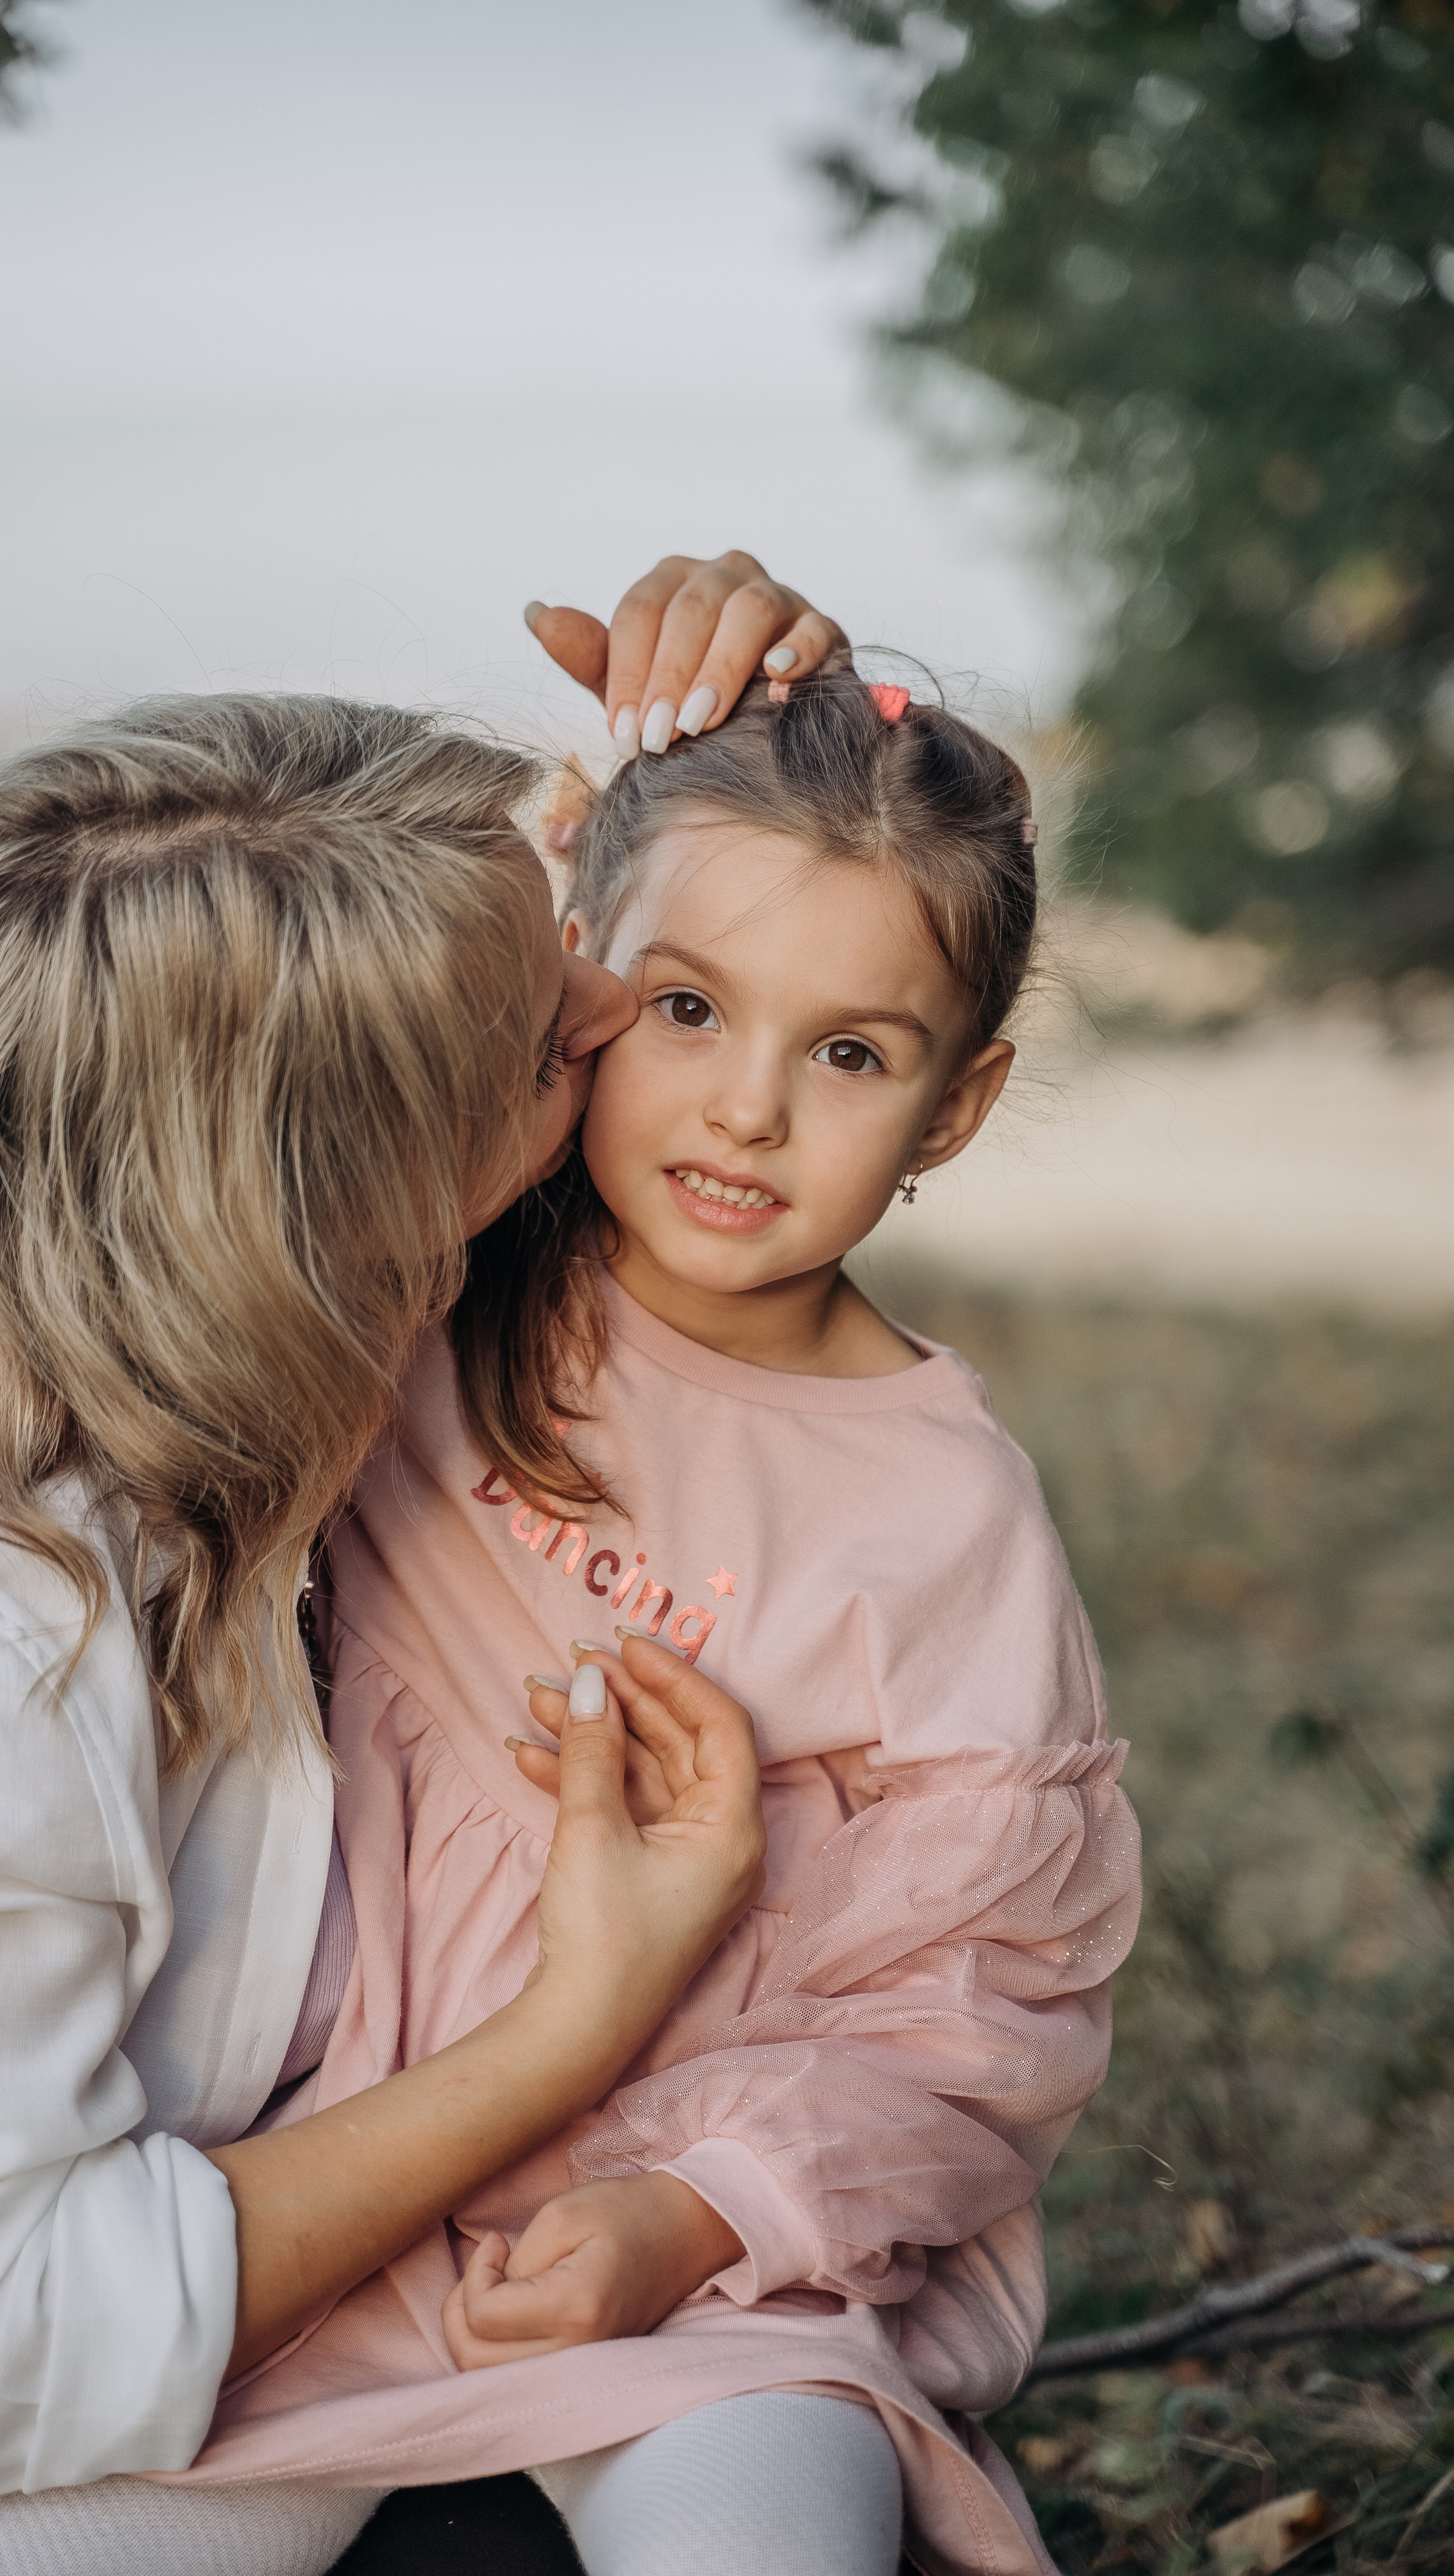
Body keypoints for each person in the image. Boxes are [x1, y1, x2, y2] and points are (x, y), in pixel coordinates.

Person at [0, 555, 841, 2576]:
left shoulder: (62, 1166)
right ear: (334, 1218)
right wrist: (574, 2024)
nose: (614, 1016)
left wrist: (798, 755)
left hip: (349, 2371)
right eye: (547, 1043)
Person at [142, 663, 1143, 2576]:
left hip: (698, 2264)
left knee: (764, 2520)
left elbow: (974, 2011)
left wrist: (695, 2215)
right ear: (581, 975)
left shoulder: (944, 1518)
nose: (746, 1110)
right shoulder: (434, 1266)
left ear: (961, 1100)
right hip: (301, 2187)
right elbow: (233, 1012)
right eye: (686, 1010)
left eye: (853, 1054)